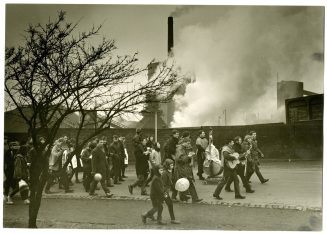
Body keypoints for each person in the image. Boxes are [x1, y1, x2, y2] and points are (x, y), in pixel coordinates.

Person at [174, 131, 202, 203]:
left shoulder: (183, 148)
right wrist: (188, 157)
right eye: (188, 143)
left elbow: (184, 158)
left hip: (185, 168)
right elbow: (178, 159)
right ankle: (186, 197)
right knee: (184, 182)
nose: (189, 145)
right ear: (184, 142)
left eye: (189, 143)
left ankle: (191, 198)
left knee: (187, 182)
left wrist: (190, 156)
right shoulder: (180, 149)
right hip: (181, 169)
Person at [162, 159, 181, 224]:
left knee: (158, 206)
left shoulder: (169, 171)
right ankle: (173, 220)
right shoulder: (165, 173)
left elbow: (170, 182)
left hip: (165, 192)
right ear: (167, 165)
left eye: (173, 165)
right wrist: (165, 194)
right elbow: (163, 185)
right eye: (171, 165)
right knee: (168, 204)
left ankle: (147, 215)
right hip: (163, 192)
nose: (172, 166)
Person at [163, 130, 179, 200]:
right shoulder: (171, 141)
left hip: (170, 160)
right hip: (169, 160)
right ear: (173, 134)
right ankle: (166, 196)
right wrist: (173, 157)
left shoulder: (174, 140)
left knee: (171, 177)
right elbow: (170, 150)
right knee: (169, 178)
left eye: (178, 134)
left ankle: (171, 195)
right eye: (176, 134)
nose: (178, 135)